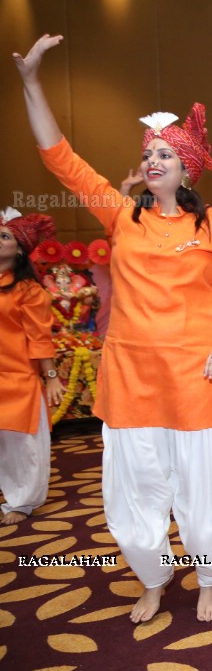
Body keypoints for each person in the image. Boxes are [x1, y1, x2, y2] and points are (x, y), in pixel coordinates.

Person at [15, 34, 212, 623]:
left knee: (202, 489)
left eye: (166, 152)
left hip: (199, 377)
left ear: (186, 168)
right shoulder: (120, 214)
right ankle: (153, 577)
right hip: (130, 377)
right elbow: (59, 155)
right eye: (149, 151)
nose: (154, 159)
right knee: (132, 493)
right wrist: (32, 82)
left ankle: (210, 576)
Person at [0, 208, 65, 525]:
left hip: (19, 379)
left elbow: (40, 338)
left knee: (23, 446)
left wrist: (50, 376)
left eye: (5, 236)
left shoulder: (29, 291)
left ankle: (22, 501)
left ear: (20, 248)